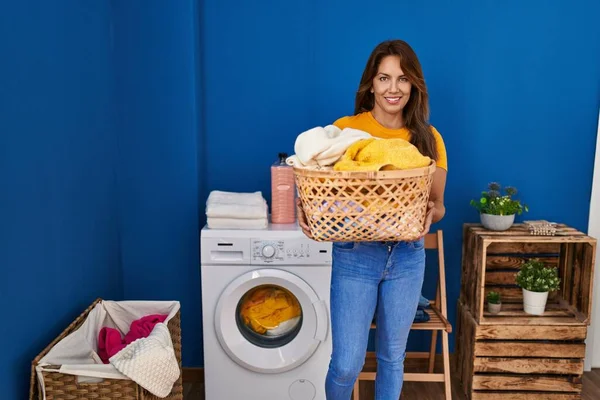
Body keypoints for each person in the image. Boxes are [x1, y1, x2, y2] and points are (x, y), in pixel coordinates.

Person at [297, 39, 448, 399]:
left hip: (408, 257)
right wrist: (307, 210)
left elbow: (438, 204)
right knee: (347, 363)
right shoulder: (346, 132)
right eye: (384, 78)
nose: (393, 88)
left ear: (414, 85)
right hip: (355, 255)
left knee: (392, 357)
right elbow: (323, 189)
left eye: (402, 79)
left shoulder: (428, 139)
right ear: (371, 83)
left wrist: (431, 214)